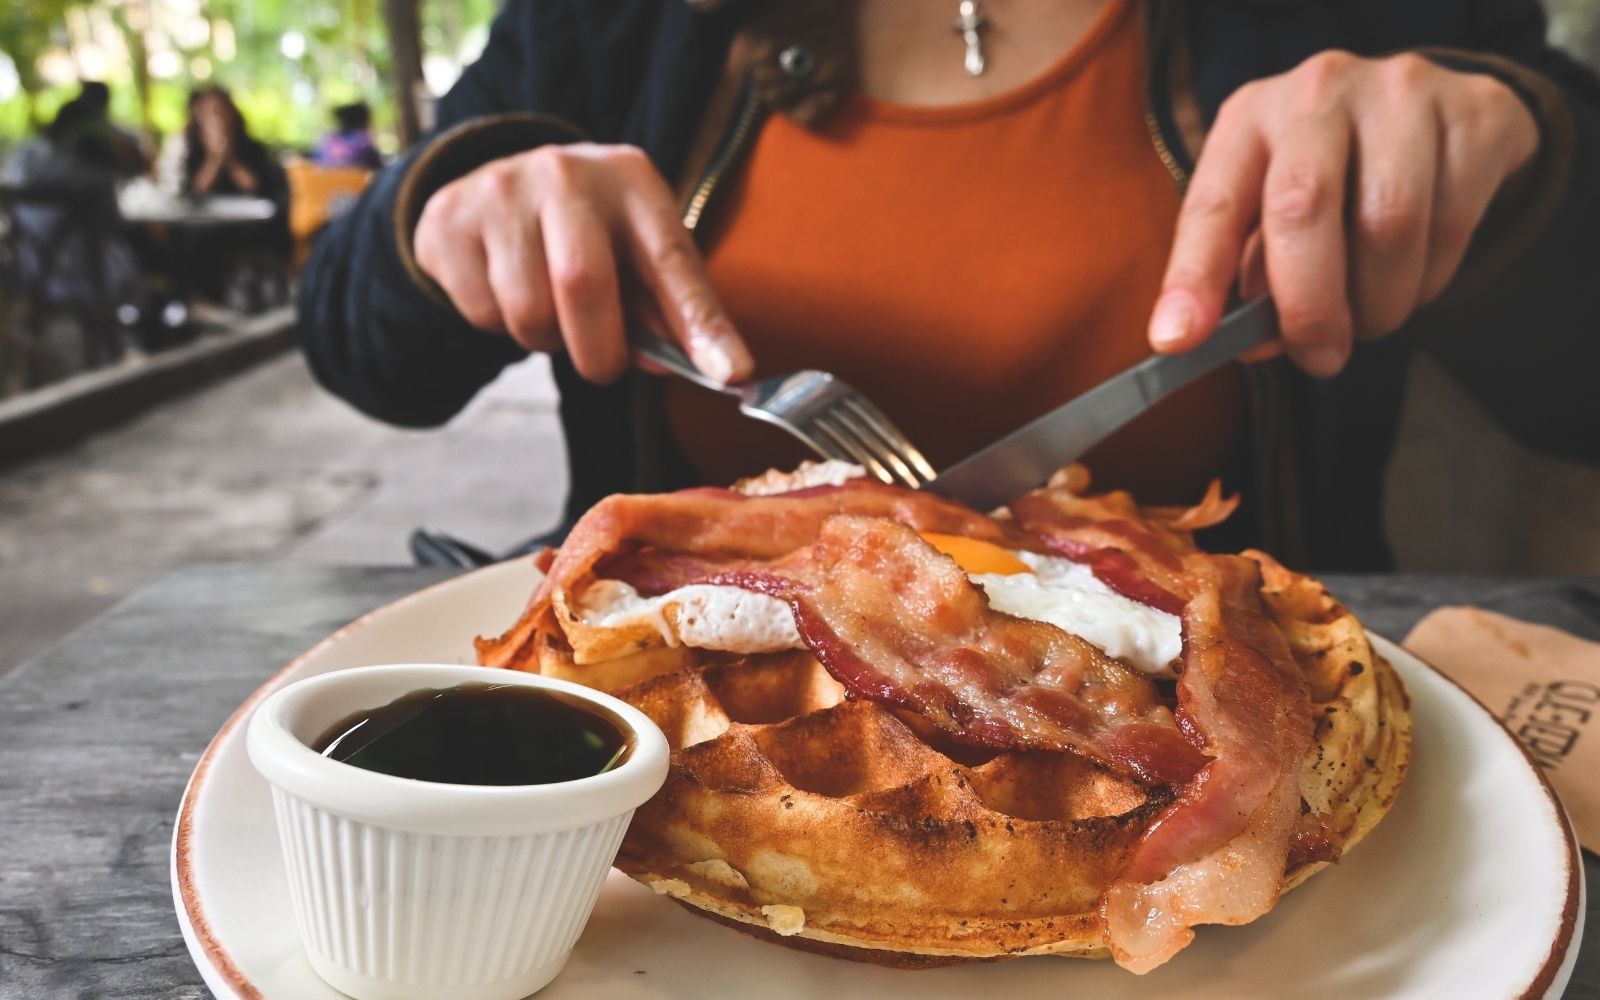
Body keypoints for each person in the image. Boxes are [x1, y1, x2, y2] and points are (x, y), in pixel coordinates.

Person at [298, 0, 1600, 571]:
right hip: (667, 771)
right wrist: (448, 206)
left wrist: (1526, 155)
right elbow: (359, 351)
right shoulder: (621, 19)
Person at [179, 86, 292, 303]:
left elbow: (256, 186)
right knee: (190, 237)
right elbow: (196, 190)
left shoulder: (252, 148)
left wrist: (228, 159)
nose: (216, 119)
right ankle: (198, 299)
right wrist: (214, 159)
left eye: (220, 111)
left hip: (251, 225)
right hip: (210, 224)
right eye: (209, 113)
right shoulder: (195, 151)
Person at [315, 102, 385, 170]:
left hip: (322, 180)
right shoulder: (362, 142)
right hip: (354, 181)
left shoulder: (329, 140)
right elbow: (379, 168)